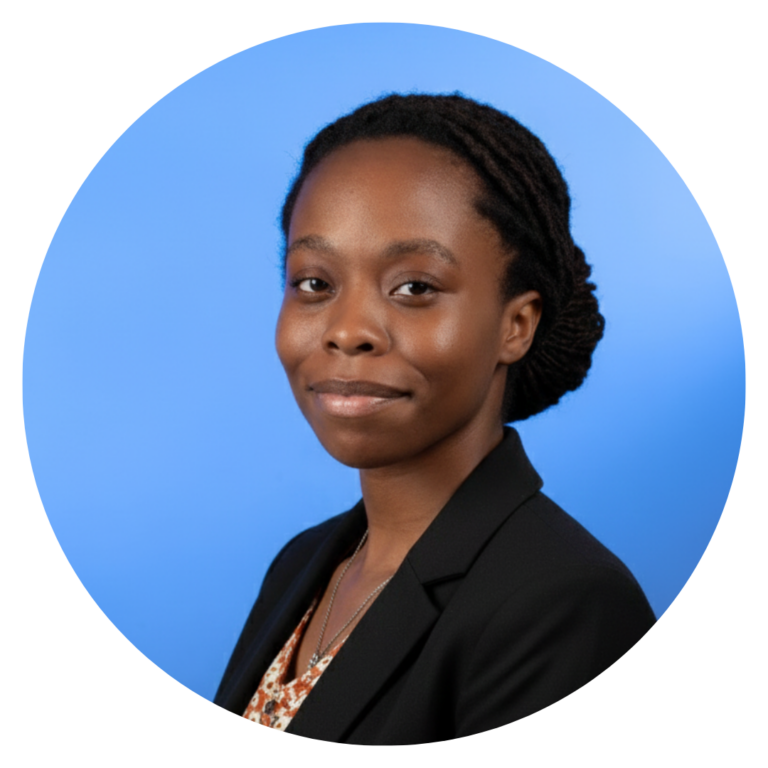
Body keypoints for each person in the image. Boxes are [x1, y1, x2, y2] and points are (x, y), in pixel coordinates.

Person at [213, 93, 656, 744]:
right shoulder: (302, 565)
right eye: (314, 284)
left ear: (516, 325)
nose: (347, 331)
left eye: (414, 287)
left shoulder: (566, 604)